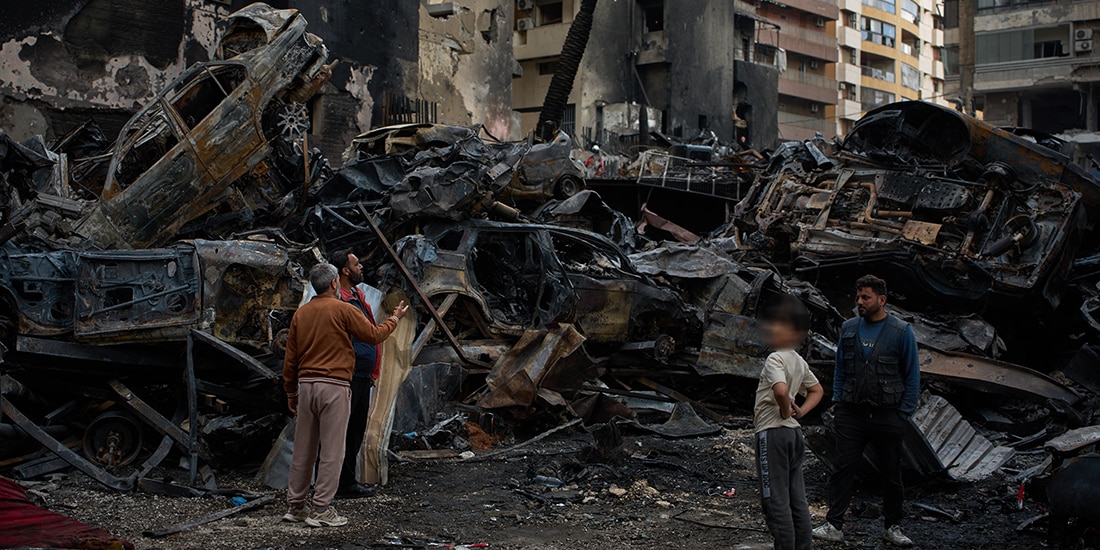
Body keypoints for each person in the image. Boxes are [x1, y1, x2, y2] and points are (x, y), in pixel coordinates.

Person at [281, 263, 408, 528]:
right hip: (334, 385)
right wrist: (395, 318)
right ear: (333, 284)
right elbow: (374, 335)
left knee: (304, 448)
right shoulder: (343, 309)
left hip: (307, 385)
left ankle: (296, 506)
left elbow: (290, 358)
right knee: (332, 450)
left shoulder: (301, 314)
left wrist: (291, 392)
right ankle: (321, 508)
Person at [813, 275, 919, 547]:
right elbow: (840, 368)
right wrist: (838, 400)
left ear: (881, 300)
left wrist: (903, 413)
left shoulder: (901, 331)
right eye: (858, 296)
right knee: (842, 469)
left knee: (892, 475)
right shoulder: (849, 328)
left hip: (887, 414)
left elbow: (912, 375)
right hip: (852, 414)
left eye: (865, 297)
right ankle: (833, 525)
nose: (859, 302)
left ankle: (892, 527)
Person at [753, 295, 824, 550]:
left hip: (772, 432)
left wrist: (785, 410)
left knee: (775, 499)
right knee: (797, 498)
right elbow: (817, 390)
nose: (773, 329)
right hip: (794, 434)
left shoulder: (775, 358)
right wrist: (801, 412)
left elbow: (781, 391)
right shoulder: (798, 360)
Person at [330, 249, 382, 499]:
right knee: (343, 431)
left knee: (355, 431)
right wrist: (394, 319)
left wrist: (373, 370)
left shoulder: (357, 295)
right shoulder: (338, 300)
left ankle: (346, 481)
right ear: (344, 271)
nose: (361, 267)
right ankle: (338, 484)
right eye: (356, 264)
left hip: (362, 375)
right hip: (348, 375)